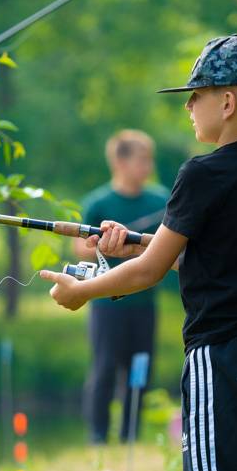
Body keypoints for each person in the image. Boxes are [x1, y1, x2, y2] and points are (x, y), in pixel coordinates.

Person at [41, 35, 237, 471]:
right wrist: (133, 242)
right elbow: (204, 258)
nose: (188, 104)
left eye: (196, 94)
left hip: (222, 360)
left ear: (226, 102)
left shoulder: (201, 172)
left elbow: (151, 270)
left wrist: (81, 291)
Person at [73, 130, 169, 444]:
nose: (148, 166)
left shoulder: (160, 200)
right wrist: (109, 244)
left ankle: (130, 436)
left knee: (140, 371)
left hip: (144, 302)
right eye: (142, 159)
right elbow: (80, 250)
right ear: (119, 161)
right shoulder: (98, 202)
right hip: (105, 303)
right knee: (103, 370)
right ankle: (97, 436)